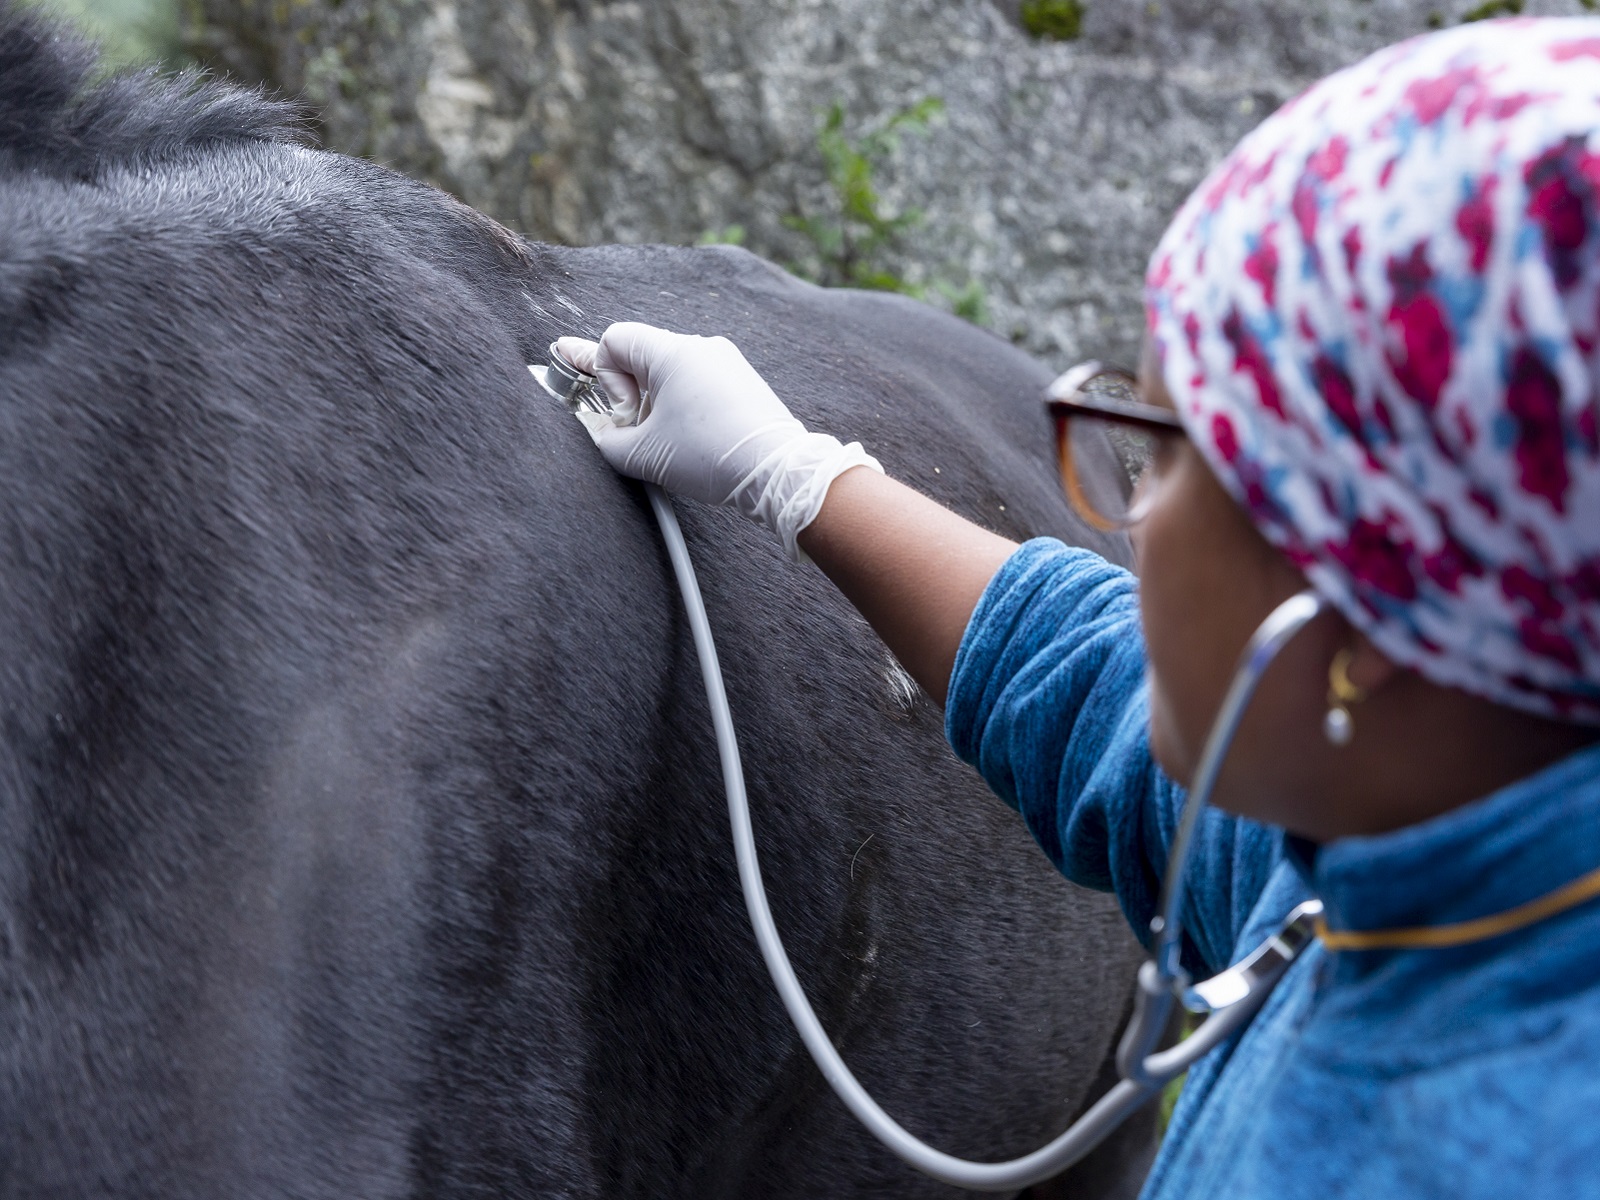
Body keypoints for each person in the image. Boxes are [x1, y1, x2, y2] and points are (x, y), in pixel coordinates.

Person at [552, 18, 1600, 1196]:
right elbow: (1101, 696)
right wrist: (793, 475)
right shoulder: (1416, 815)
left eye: (1164, 455)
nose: (1130, 521)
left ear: (1362, 617)